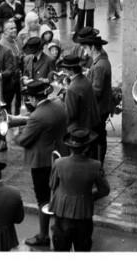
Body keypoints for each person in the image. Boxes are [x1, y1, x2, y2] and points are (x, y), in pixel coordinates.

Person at [15, 80, 67, 248]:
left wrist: (17, 133)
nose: (28, 100)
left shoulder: (36, 116)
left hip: (41, 162)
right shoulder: (58, 105)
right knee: (59, 195)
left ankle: (43, 235)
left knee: (42, 199)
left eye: (29, 97)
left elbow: (23, 140)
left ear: (33, 98)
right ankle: (60, 230)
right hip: (60, 156)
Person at [49, 126, 111, 252]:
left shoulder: (59, 163)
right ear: (87, 147)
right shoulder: (95, 165)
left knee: (61, 249)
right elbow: (105, 190)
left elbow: (52, 185)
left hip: (62, 213)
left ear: (69, 147)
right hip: (84, 214)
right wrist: (90, 196)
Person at [83, 29, 113, 163]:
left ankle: (97, 163)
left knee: (96, 137)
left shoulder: (99, 65)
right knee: (99, 135)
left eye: (86, 48)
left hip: (98, 109)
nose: (85, 51)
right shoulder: (101, 60)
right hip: (101, 108)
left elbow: (96, 91)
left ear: (93, 48)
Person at [59, 53, 101, 138]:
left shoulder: (72, 89)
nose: (64, 71)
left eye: (65, 69)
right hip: (91, 124)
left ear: (71, 70)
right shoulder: (85, 79)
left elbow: (70, 115)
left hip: (80, 129)